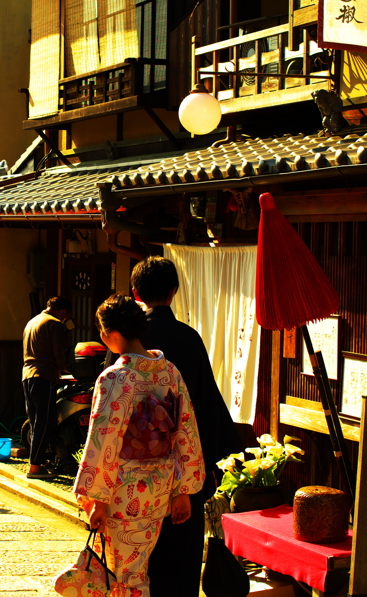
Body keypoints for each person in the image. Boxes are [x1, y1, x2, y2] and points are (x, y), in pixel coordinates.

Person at [71, 294, 205, 597]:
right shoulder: (169, 372)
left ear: (111, 335)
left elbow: (103, 440)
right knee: (137, 566)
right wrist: (182, 489)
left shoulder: (116, 378)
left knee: (124, 576)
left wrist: (97, 498)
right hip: (158, 488)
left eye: (102, 333)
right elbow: (186, 430)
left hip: (122, 489)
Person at [130, 256, 243, 597]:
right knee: (180, 560)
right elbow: (207, 404)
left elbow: (110, 413)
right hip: (183, 468)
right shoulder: (188, 338)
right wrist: (215, 463)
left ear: (136, 293)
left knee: (138, 560)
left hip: (136, 473)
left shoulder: (130, 341)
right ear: (174, 291)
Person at [21, 296, 70, 479]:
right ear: (63, 312)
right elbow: (59, 356)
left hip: (27, 376)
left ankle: (39, 460)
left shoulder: (32, 322)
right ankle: (35, 467)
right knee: (46, 421)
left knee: (35, 422)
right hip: (44, 376)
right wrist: (69, 370)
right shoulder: (55, 324)